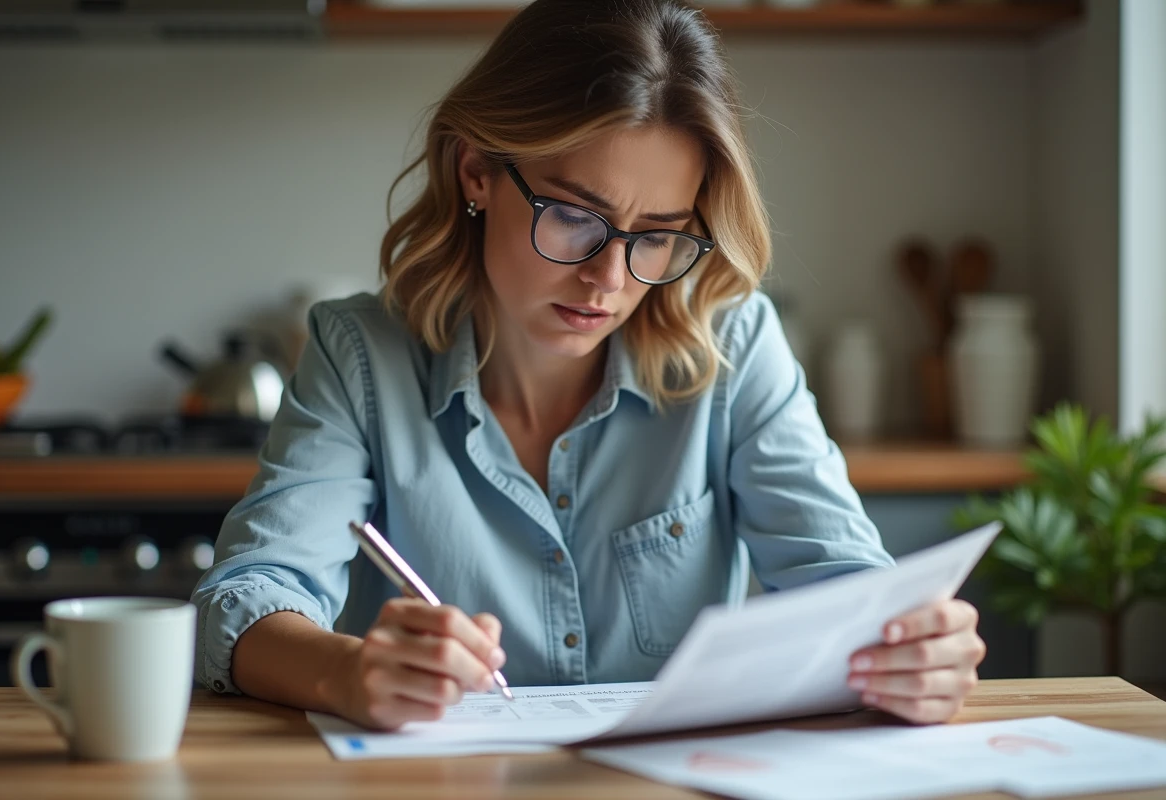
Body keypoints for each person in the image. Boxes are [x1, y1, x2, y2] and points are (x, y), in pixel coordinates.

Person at [191, 0, 985, 731]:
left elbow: (847, 585)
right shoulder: (360, 354)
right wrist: (349, 672)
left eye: (657, 235)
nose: (609, 278)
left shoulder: (734, 344)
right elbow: (246, 597)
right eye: (575, 216)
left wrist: (913, 649)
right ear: (476, 171)